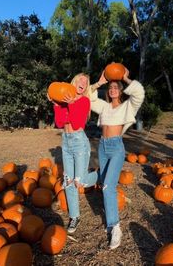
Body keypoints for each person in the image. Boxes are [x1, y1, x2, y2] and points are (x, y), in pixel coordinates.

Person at [85, 67, 145, 249]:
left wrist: (126, 78)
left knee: (108, 186)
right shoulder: (103, 106)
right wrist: (100, 82)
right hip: (102, 146)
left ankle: (115, 226)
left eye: (115, 88)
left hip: (117, 148)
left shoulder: (127, 106)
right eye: (110, 88)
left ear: (120, 91)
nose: (112, 90)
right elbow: (88, 98)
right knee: (104, 181)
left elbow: (139, 94)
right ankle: (81, 179)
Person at [47, 73, 91, 234]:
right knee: (69, 182)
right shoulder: (63, 100)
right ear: (73, 82)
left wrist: (72, 104)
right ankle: (75, 217)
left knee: (80, 181)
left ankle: (101, 176)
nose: (83, 83)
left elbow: (78, 122)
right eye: (80, 80)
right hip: (66, 142)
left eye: (85, 82)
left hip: (80, 142)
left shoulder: (84, 101)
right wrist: (56, 105)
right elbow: (59, 123)